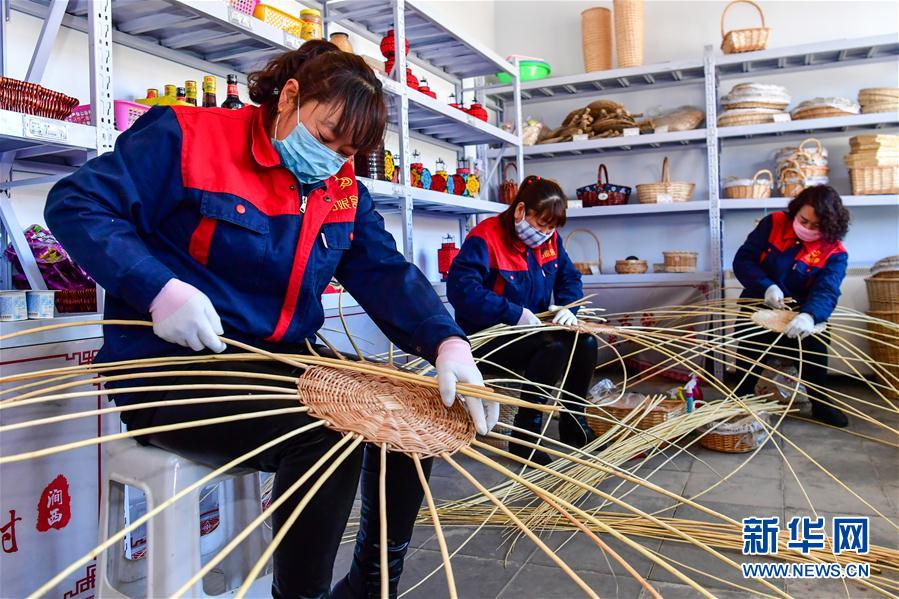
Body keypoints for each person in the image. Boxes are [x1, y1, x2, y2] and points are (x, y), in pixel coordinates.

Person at [45, 40, 497, 599]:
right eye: (328, 137)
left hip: (282, 365)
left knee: (408, 410)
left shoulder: (340, 188)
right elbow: (75, 204)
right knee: (329, 433)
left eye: (348, 151)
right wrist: (158, 290)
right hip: (173, 370)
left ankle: (372, 585)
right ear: (289, 96)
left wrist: (447, 342)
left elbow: (383, 270)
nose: (333, 158)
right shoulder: (188, 137)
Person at [446, 176, 598, 465]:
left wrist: (568, 308)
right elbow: (462, 291)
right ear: (520, 211)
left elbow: (569, 277)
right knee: (553, 348)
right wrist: (514, 313)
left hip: (536, 330)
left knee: (586, 341)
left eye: (552, 227)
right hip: (488, 337)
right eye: (541, 224)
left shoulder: (550, 240)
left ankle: (574, 422)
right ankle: (526, 435)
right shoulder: (485, 237)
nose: (545, 233)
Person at [733, 185, 850, 427]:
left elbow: (827, 289)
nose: (806, 228)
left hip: (802, 308)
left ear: (829, 226)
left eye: (815, 226)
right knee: (748, 340)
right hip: (761, 298)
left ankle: (820, 402)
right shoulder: (773, 223)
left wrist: (810, 315)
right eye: (802, 220)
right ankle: (741, 395)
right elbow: (744, 259)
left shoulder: (835, 252)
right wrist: (765, 285)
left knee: (816, 345)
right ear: (795, 211)